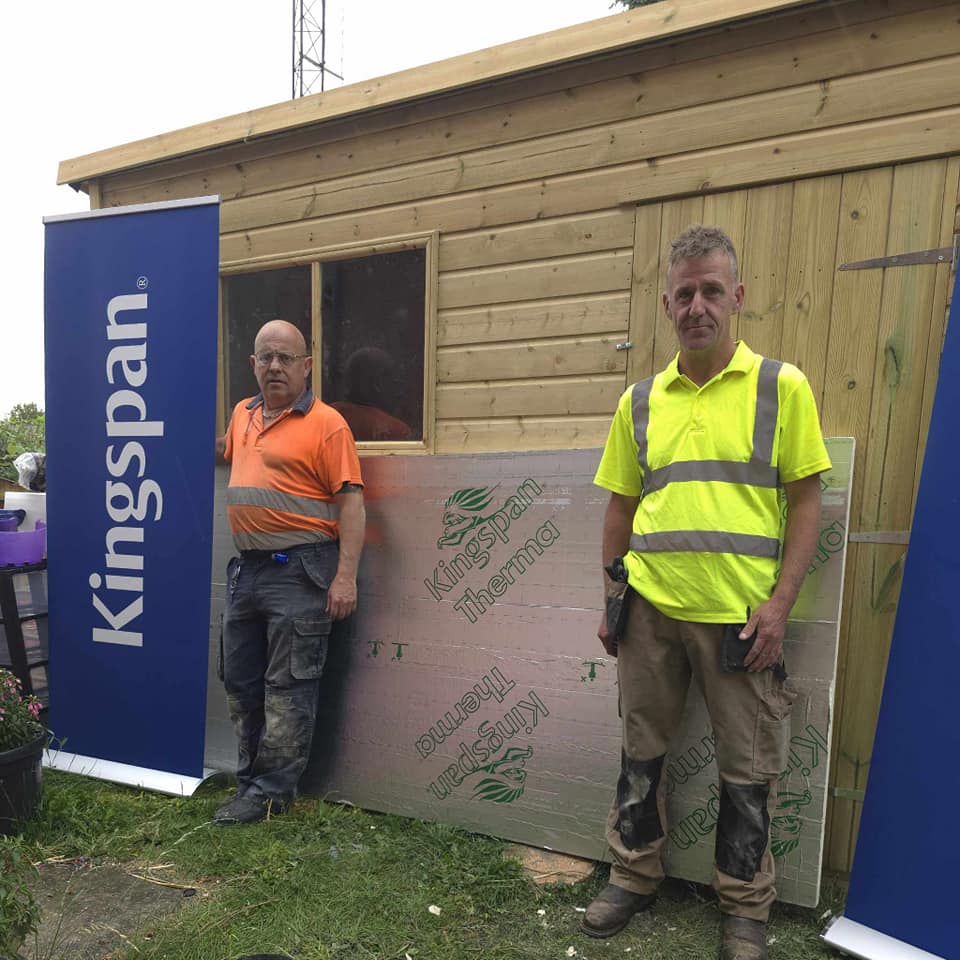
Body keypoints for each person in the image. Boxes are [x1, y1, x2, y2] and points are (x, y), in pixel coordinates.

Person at [583, 226, 830, 960]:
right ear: (667, 304)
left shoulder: (779, 388)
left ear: (738, 297)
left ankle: (746, 909)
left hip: (739, 621)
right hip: (651, 611)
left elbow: (807, 501)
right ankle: (632, 876)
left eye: (712, 291)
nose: (698, 306)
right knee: (641, 755)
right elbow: (620, 507)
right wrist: (611, 599)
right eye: (684, 293)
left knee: (748, 772)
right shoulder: (641, 401)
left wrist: (780, 604)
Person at [213, 319, 366, 825]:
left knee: (288, 685)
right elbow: (234, 456)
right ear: (252, 364)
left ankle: (271, 794)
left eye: (285, 358)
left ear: (306, 365)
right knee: (240, 680)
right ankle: (247, 781)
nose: (274, 366)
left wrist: (345, 577)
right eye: (265, 357)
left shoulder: (328, 425)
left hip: (302, 570)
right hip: (248, 571)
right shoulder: (243, 414)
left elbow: (352, 504)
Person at [330, 346, 413, 441]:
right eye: (393, 380)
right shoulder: (397, 430)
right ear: (378, 383)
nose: (398, 390)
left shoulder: (327, 416)